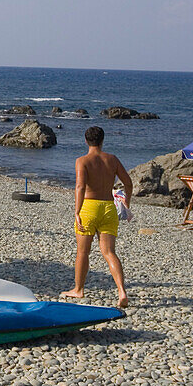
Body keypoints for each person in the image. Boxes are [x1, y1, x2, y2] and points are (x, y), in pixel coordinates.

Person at [61, 126, 132, 308]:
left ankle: (78, 289)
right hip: (108, 207)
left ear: (86, 141)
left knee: (83, 252)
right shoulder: (112, 159)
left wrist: (77, 212)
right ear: (102, 140)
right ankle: (122, 291)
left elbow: (80, 187)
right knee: (109, 252)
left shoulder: (82, 161)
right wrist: (126, 204)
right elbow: (128, 183)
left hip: (89, 207)